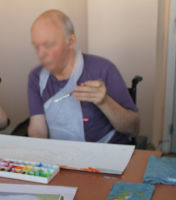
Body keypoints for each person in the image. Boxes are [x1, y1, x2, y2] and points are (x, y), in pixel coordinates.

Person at [27, 10, 140, 144]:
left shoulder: (103, 69)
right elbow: (38, 129)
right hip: (62, 156)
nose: (41, 54)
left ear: (71, 41)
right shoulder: (36, 77)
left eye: (48, 45)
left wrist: (104, 101)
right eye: (36, 46)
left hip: (106, 153)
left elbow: (133, 129)